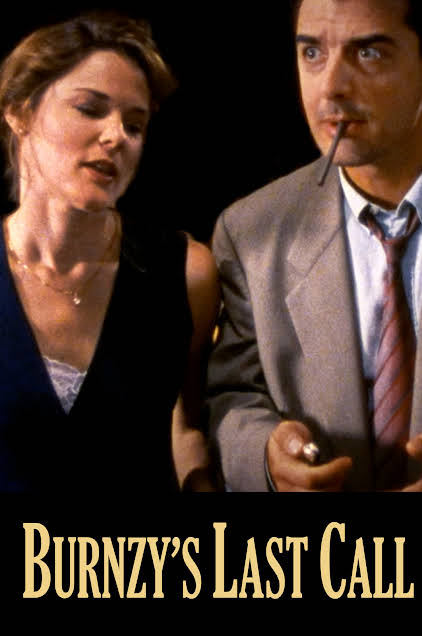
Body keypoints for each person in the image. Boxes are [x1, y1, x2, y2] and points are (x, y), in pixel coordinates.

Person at [0, 10, 221, 496]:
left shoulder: (185, 272)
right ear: (19, 111)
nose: (117, 135)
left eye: (135, 125)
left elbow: (187, 428)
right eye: (89, 108)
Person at [206, 0, 422, 492]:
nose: (331, 86)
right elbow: (232, 396)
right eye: (312, 53)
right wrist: (266, 456)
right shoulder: (250, 232)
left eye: (368, 53)